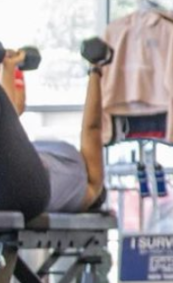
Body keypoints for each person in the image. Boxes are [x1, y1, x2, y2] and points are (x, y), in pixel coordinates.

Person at [0, 39, 111, 220]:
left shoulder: (92, 187)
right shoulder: (84, 189)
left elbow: (93, 128)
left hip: (28, 187)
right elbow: (13, 114)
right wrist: (10, 67)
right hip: (18, 182)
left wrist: (95, 71)